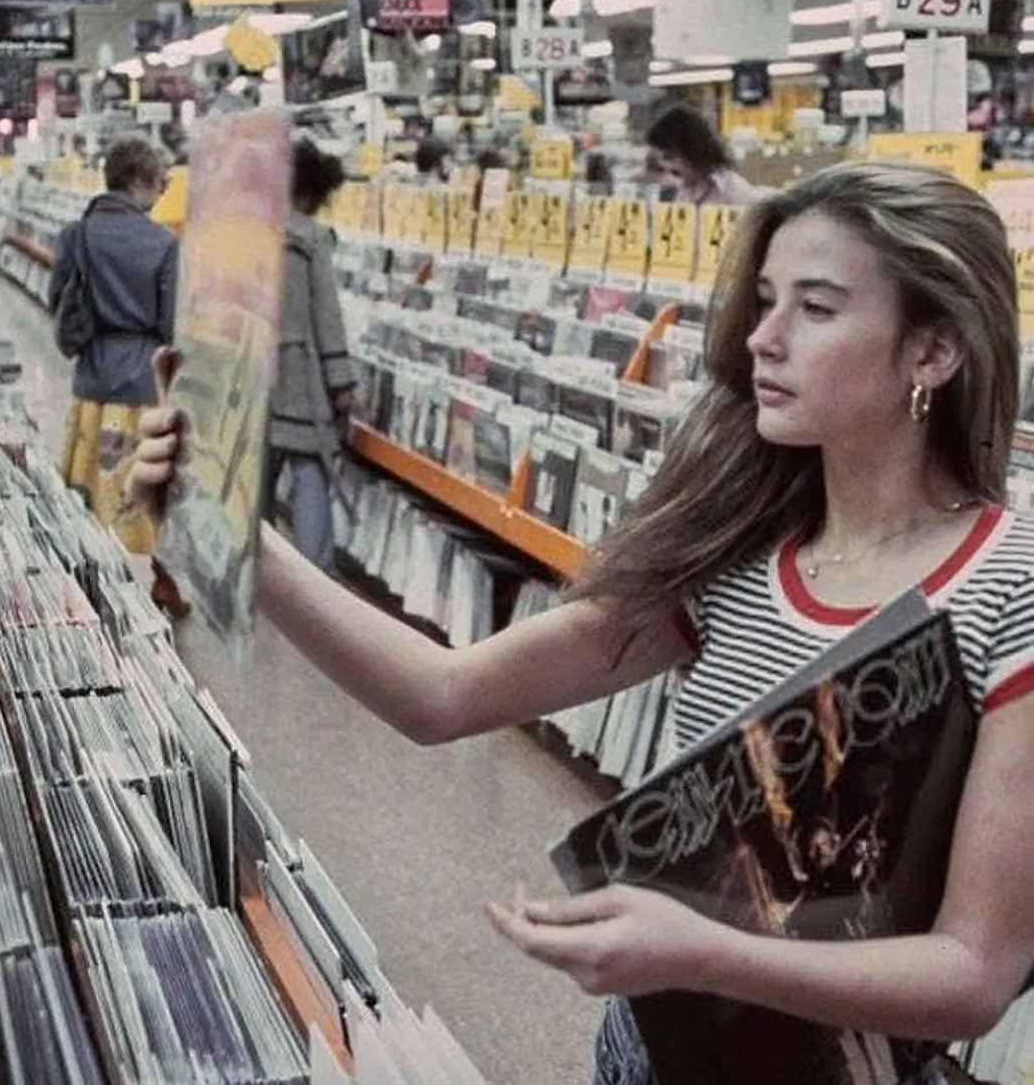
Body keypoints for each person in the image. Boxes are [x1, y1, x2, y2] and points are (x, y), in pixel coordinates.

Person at [128, 162, 1034, 1082]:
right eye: (763, 300)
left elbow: (973, 972)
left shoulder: (1011, 588)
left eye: (817, 307)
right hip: (650, 1054)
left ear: (933, 351)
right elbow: (444, 694)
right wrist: (238, 532)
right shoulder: (738, 557)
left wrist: (702, 951)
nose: (762, 338)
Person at [49, 133, 186, 618]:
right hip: (143, 385)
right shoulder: (164, 243)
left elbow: (57, 299)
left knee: (89, 487)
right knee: (146, 487)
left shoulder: (77, 234)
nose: (164, 193)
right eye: (163, 183)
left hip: (92, 381)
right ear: (140, 181)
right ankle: (165, 582)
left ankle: (89, 585)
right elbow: (172, 327)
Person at [264, 138, 354, 573]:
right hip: (300, 372)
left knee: (254, 475)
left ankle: (254, 565)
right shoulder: (311, 238)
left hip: (254, 372)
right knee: (310, 467)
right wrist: (341, 380)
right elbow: (327, 312)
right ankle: (312, 569)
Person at [646, 103, 757, 205]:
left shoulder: (735, 192)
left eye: (670, 157)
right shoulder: (682, 192)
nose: (668, 166)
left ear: (691, 150)